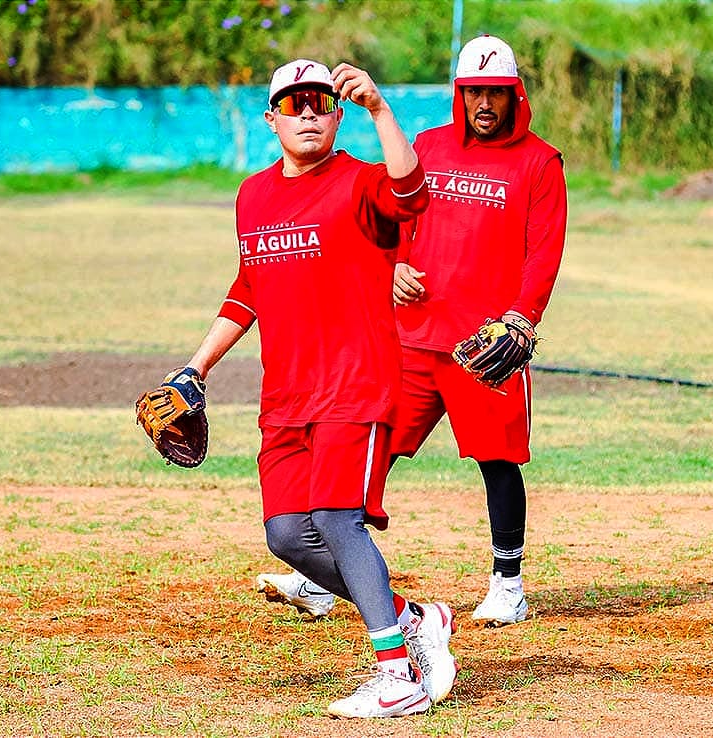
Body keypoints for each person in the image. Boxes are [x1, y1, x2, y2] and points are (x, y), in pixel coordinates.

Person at [175, 58, 457, 719]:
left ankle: (397, 677)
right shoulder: (253, 196)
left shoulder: (360, 181)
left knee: (336, 519)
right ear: (271, 119)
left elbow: (412, 193)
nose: (307, 112)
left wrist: (382, 111)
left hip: (354, 384)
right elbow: (248, 291)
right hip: (287, 396)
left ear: (335, 115)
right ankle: (415, 620)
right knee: (287, 536)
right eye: (292, 103)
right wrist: (196, 367)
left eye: (319, 103)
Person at [257, 35, 567, 627]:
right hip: (412, 334)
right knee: (373, 450)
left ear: (514, 95)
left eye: (495, 92)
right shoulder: (428, 144)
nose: (484, 102)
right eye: (473, 90)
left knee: (496, 459)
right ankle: (324, 573)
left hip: (486, 344)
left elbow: (544, 250)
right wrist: (396, 262)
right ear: (459, 93)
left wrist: (523, 318)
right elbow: (404, 210)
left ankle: (508, 583)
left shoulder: (539, 162)